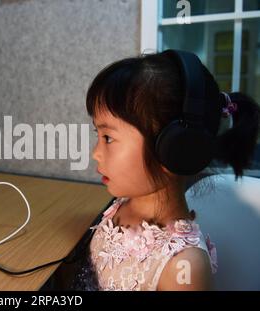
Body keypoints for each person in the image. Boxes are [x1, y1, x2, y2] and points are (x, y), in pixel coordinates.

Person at [73, 50, 260, 291]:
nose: (95, 153)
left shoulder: (183, 267)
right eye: (96, 135)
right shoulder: (121, 205)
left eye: (108, 137)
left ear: (175, 149)